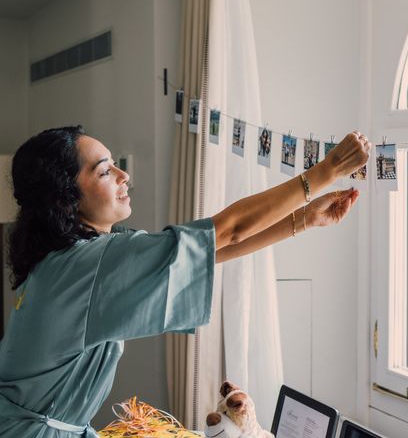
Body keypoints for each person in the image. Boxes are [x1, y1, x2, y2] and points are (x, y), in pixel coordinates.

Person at [0, 126, 370, 437]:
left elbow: (206, 252)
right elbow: (227, 231)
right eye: (103, 171)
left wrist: (304, 220)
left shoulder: (70, 259)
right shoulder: (89, 265)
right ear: (66, 197)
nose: (123, 175)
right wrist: (326, 171)